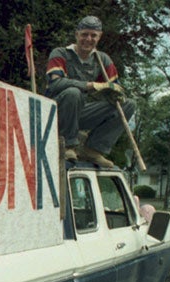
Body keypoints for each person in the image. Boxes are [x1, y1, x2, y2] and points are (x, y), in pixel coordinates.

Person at [45, 15, 136, 168]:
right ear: (77, 35)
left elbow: (116, 87)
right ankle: (67, 145)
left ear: (99, 37)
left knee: (128, 104)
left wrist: (114, 93)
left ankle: (93, 149)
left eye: (93, 35)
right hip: (57, 112)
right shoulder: (61, 54)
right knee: (74, 93)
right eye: (84, 34)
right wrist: (89, 85)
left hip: (80, 112)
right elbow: (54, 84)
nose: (88, 39)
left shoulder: (102, 60)